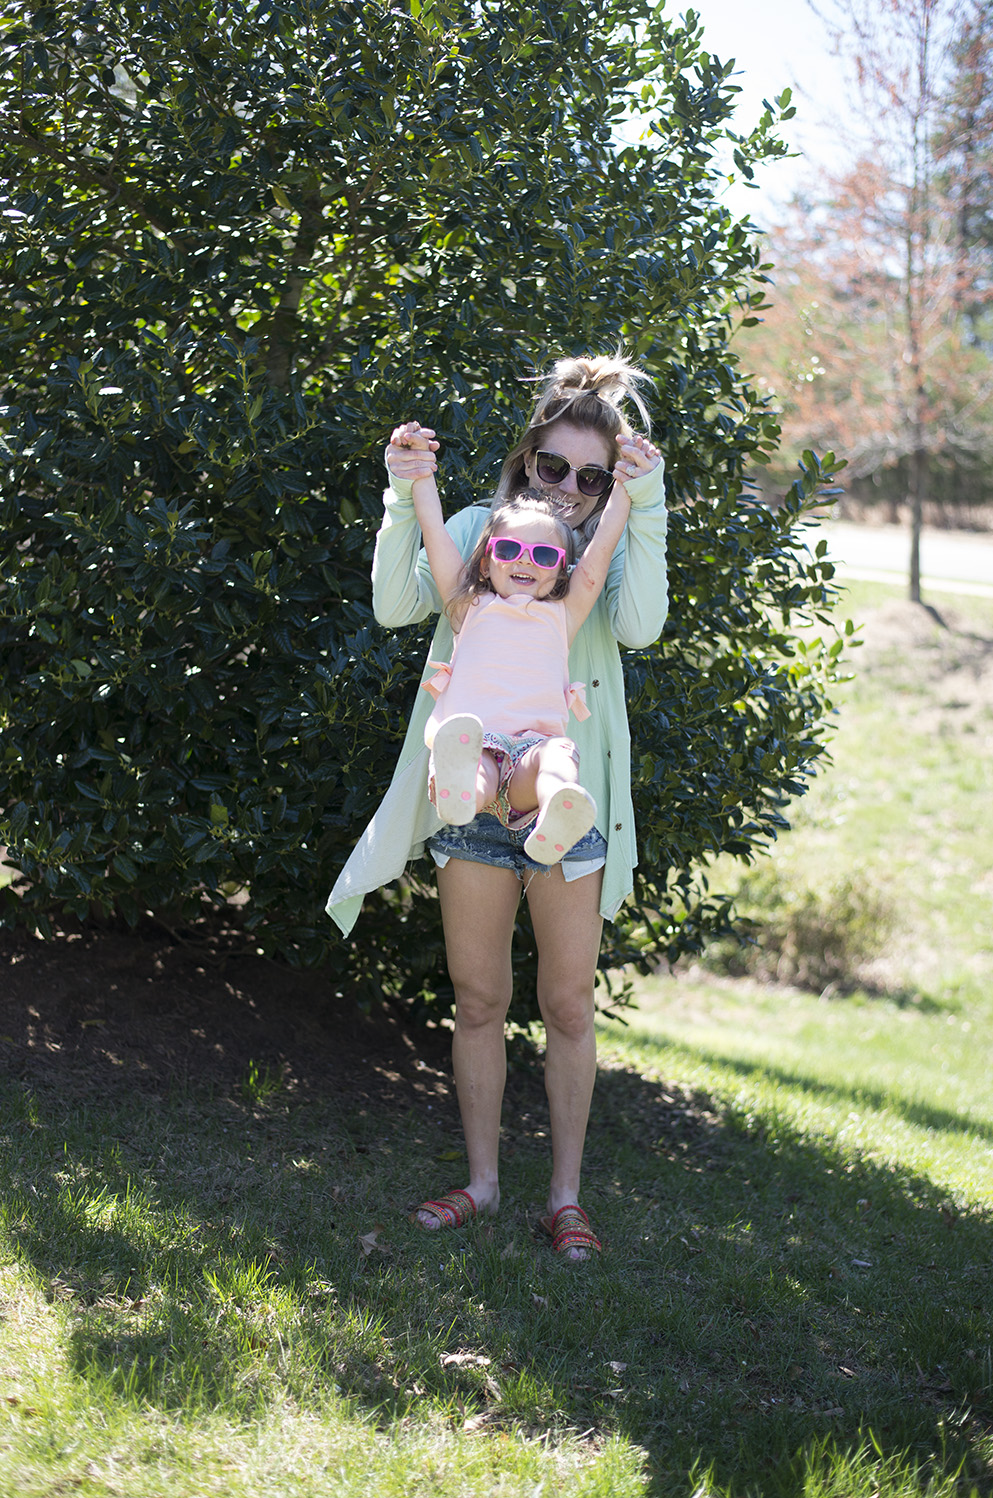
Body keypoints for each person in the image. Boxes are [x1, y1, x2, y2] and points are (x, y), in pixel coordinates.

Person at [327, 354, 667, 1260]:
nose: (570, 491)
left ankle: (565, 1199)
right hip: (472, 791)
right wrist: (408, 493)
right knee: (478, 999)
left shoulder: (602, 550)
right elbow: (401, 601)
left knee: (567, 1004)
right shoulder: (483, 534)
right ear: (527, 459)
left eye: (593, 477)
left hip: (567, 796)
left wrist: (648, 502)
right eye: (555, 468)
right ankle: (480, 1183)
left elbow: (634, 625)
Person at [415, 473, 631, 866]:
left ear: (562, 573)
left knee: (559, 757)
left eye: (545, 556)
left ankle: (558, 811)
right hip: (476, 742)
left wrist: (628, 484)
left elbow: (600, 551)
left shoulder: (562, 616)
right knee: (473, 763)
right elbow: (434, 534)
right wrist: (419, 475)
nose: (525, 560)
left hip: (533, 751)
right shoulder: (469, 609)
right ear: (485, 564)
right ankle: (461, 795)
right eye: (509, 548)